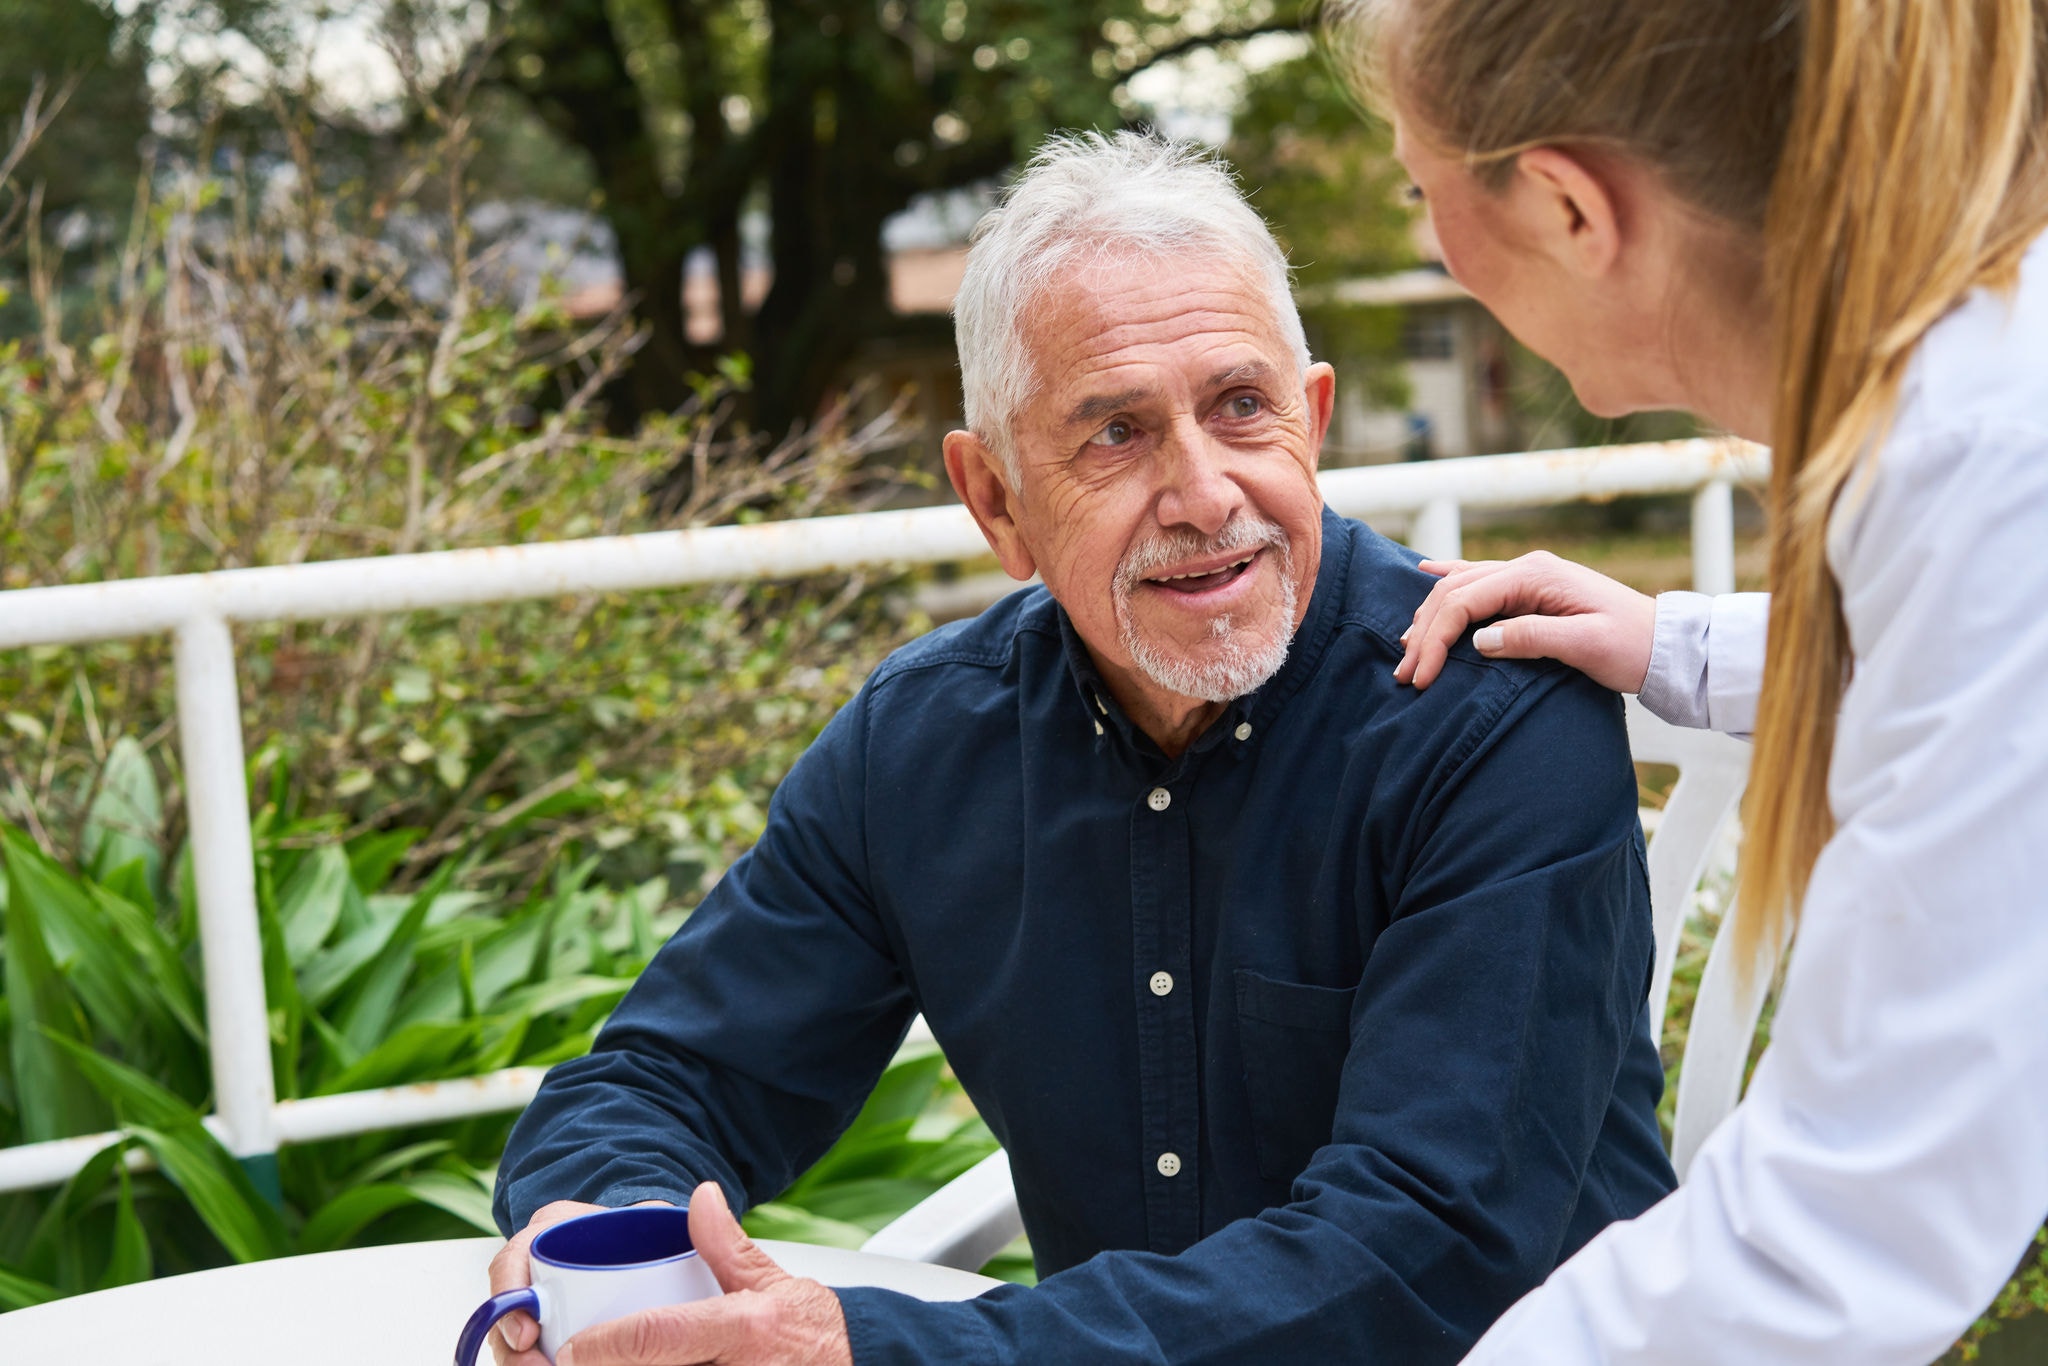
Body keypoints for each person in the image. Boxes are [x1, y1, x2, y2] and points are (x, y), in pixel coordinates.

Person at [483, 131, 1677, 1366]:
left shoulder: (1492, 717)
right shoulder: (925, 744)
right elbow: (663, 1080)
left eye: (1239, 406)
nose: (1205, 492)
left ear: (1311, 421)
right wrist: (598, 1224)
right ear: (994, 498)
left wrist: (886, 1354)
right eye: (1115, 433)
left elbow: (1423, 1251)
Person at [1336, 0, 2048, 1360]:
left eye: (1417, 186)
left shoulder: (1988, 469)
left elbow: (1847, 1227)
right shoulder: (1966, 408)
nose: (1430, 235)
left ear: (1566, 206)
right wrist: (1689, 645)